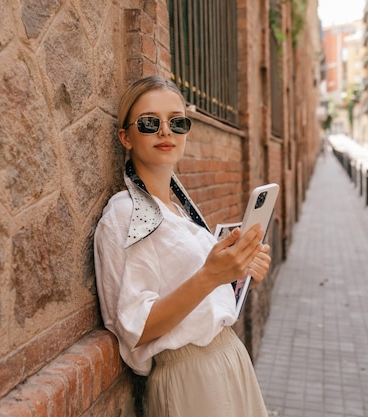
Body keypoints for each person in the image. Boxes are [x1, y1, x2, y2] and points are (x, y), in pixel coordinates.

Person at [94, 75, 271, 417]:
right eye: (149, 123)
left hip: (230, 360)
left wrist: (242, 270)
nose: (165, 131)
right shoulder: (126, 214)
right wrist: (210, 276)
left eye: (177, 121)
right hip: (191, 377)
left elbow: (204, 296)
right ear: (125, 137)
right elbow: (136, 328)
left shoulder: (178, 209)